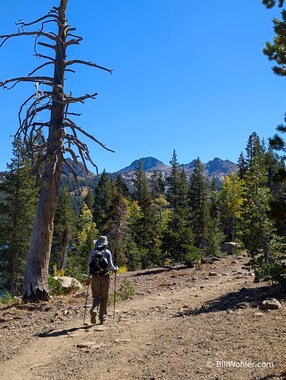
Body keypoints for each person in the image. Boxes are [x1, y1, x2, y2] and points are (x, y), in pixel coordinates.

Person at [87, 236, 118, 324]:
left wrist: (89, 277)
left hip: (95, 277)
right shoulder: (107, 252)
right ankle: (102, 317)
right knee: (104, 297)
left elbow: (89, 265)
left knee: (96, 296)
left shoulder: (93, 252)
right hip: (105, 276)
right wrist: (116, 269)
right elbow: (110, 266)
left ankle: (94, 309)